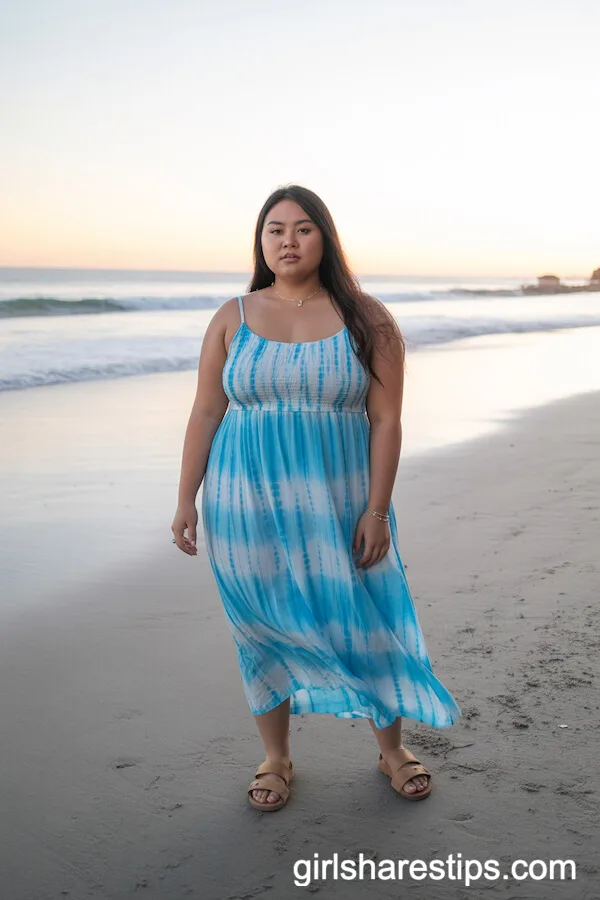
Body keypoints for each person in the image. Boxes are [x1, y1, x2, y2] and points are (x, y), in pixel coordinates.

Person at [172, 184, 461, 812]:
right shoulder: (233, 316)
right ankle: (276, 757)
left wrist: (377, 509)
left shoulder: (368, 318)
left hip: (341, 498)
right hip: (242, 501)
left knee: (366, 616)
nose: (287, 241)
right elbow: (205, 410)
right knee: (260, 625)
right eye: (274, 230)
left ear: (324, 237)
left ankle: (392, 750)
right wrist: (185, 498)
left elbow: (386, 421)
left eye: (302, 229)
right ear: (261, 242)